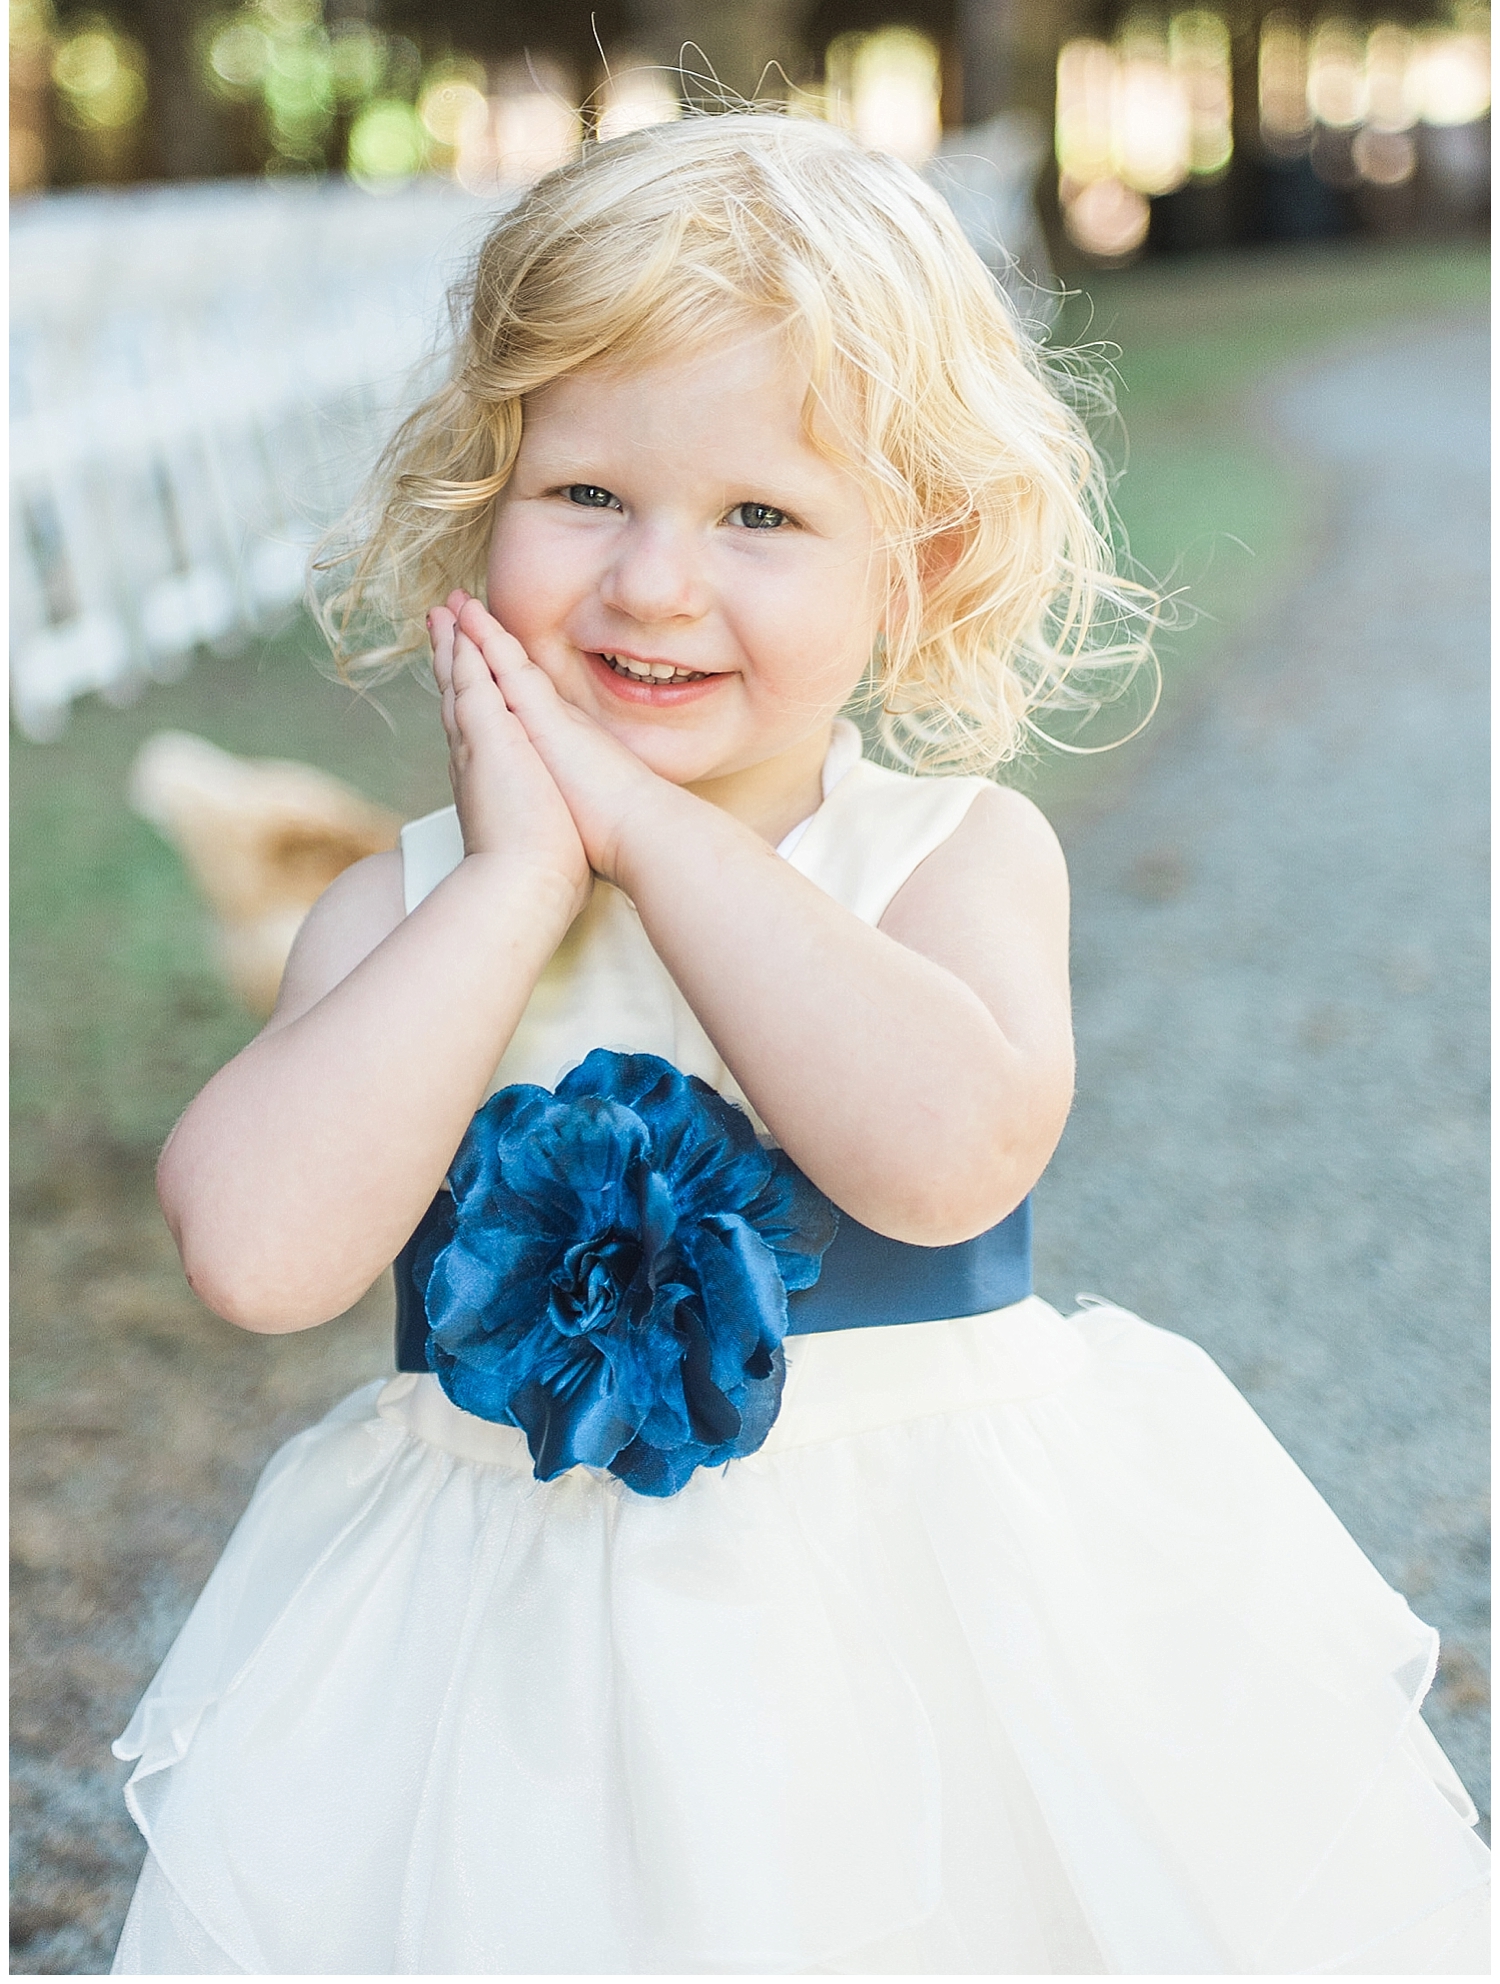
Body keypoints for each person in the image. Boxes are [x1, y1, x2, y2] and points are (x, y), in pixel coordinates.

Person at [111, 115, 1488, 1976]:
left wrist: (655, 836)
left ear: (914, 565)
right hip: (492, 1683)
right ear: (479, 500)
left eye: (760, 516)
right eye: (585, 493)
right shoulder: (416, 906)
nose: (658, 582)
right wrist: (522, 881)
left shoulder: (948, 860)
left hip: (912, 1651)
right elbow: (258, 1257)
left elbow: (949, 1152)